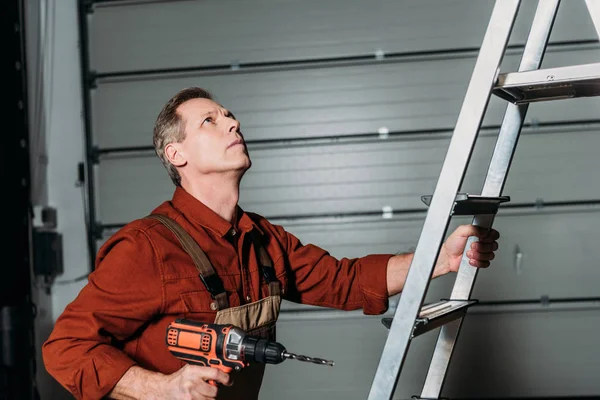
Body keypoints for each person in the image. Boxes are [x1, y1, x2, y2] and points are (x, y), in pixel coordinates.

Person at [42, 87, 500, 400]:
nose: (232, 121)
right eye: (210, 120)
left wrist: (439, 259)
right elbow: (64, 348)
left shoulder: (263, 241)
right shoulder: (147, 248)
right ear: (176, 155)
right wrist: (159, 387)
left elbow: (346, 280)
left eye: (229, 115)